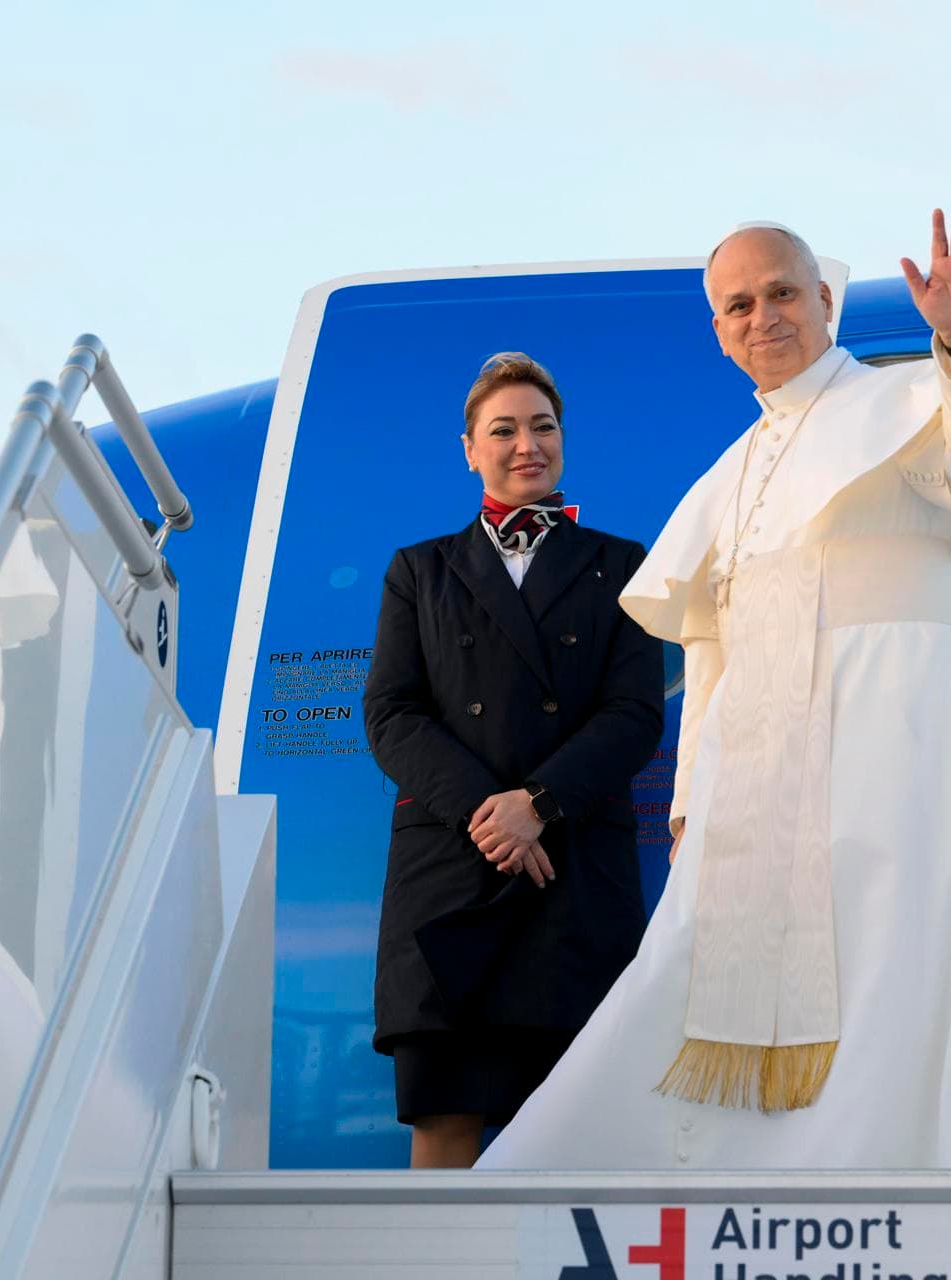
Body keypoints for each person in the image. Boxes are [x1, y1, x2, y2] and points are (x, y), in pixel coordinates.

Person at [478, 206, 951, 1170]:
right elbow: (711, 649)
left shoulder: (906, 400)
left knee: (889, 958)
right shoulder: (729, 474)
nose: (762, 317)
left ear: (823, 301)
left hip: (890, 740)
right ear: (720, 334)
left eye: (780, 293)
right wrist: (691, 802)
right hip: (757, 779)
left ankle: (877, 1172)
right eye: (738, 306)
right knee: (701, 969)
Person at [362, 352, 664, 1168]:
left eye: (543, 426)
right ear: (470, 449)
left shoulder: (622, 565)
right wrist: (490, 813)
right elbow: (391, 714)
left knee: (576, 1134)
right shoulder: (419, 570)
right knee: (445, 1121)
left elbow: (635, 715)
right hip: (452, 875)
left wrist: (539, 803)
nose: (527, 444)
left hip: (572, 874)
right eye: (503, 430)